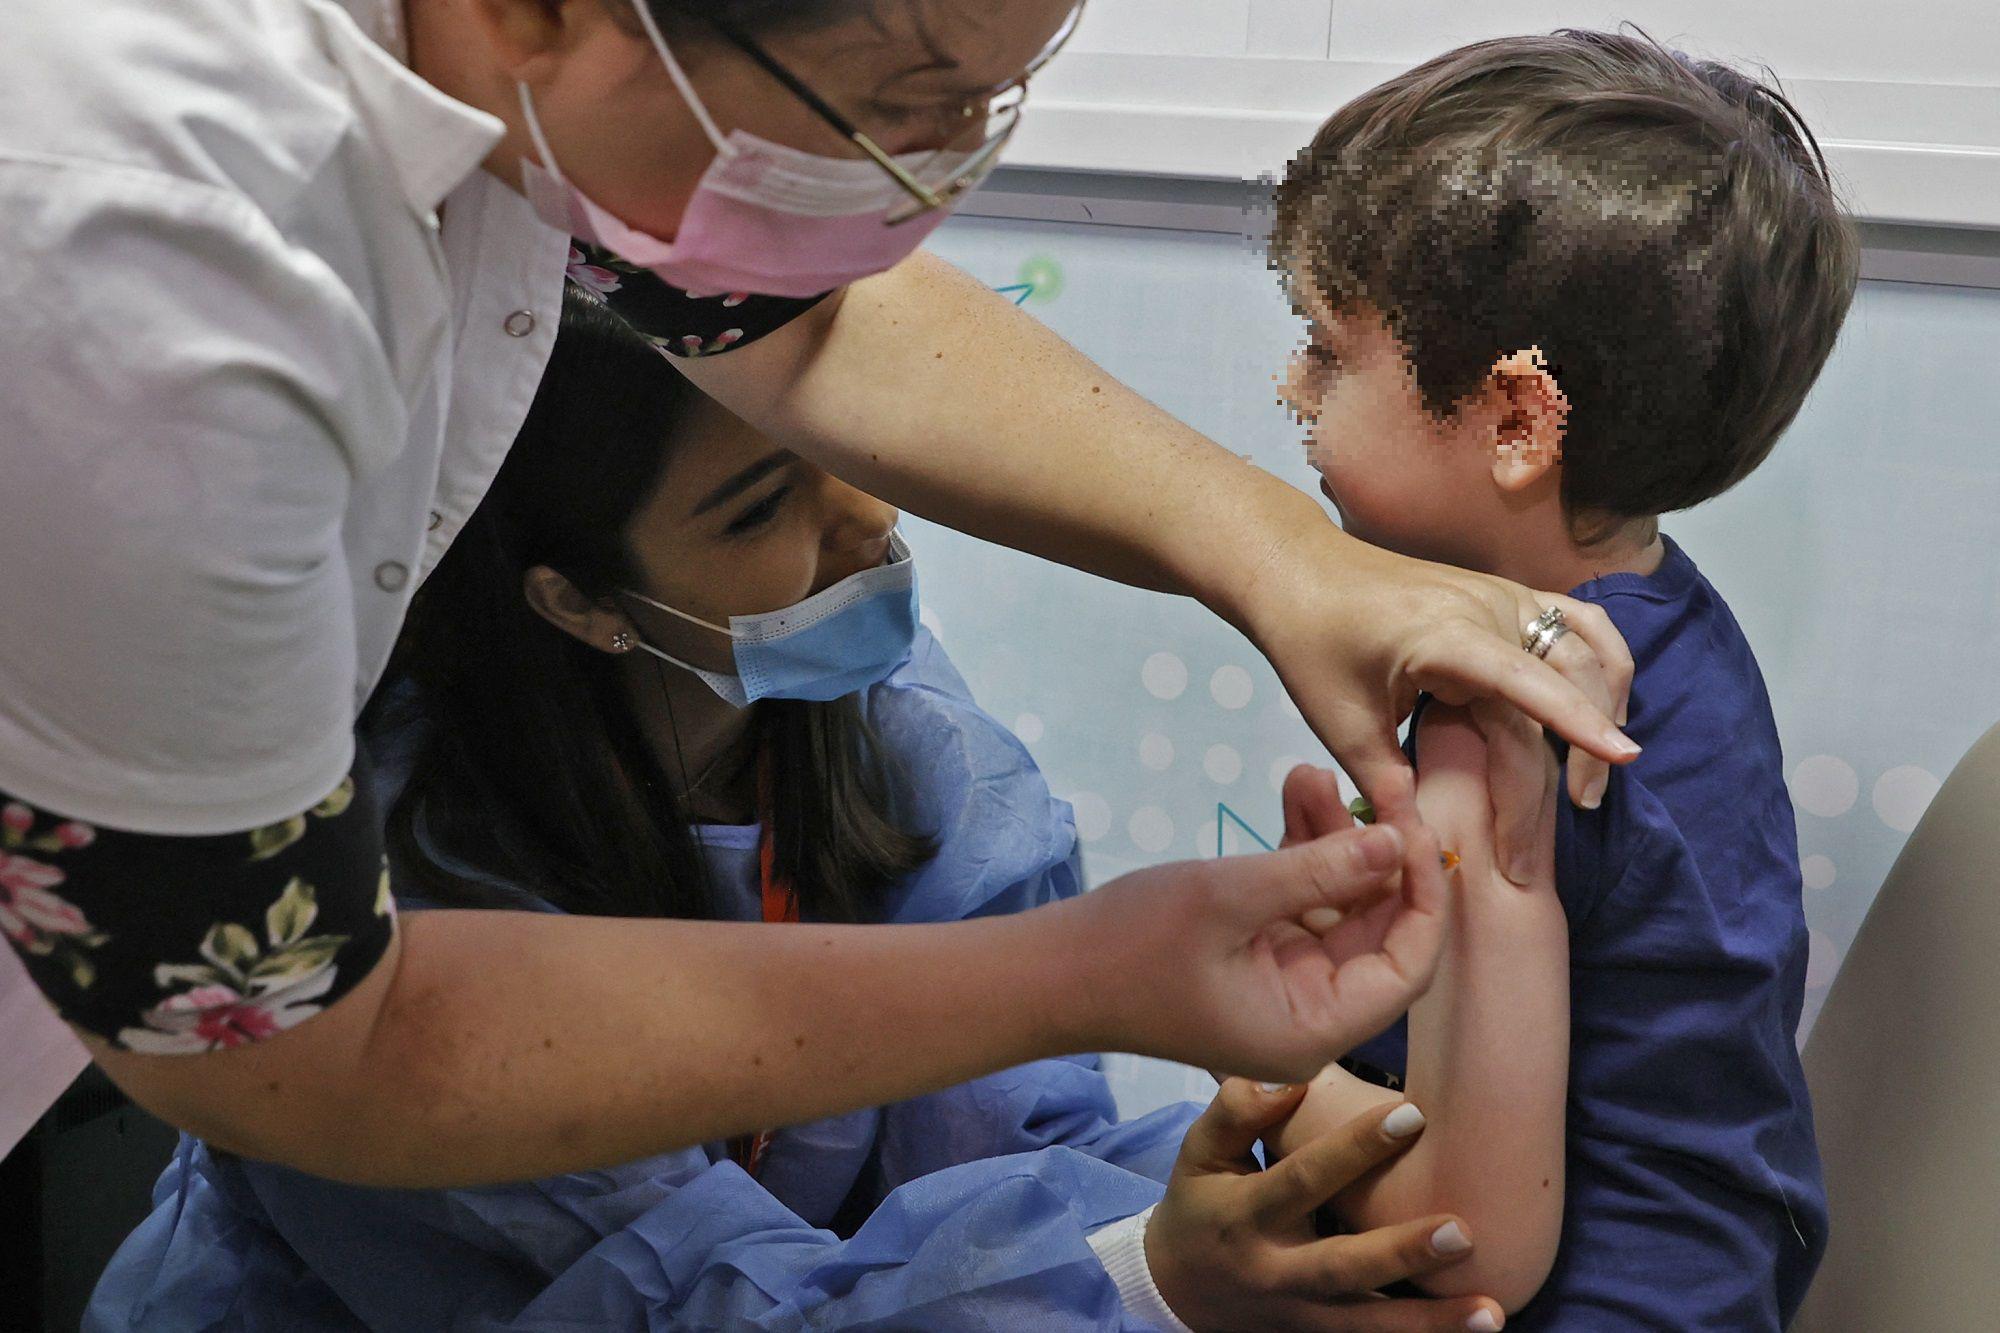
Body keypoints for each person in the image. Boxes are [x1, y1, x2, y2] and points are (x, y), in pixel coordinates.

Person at [0, 0, 1637, 1203]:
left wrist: (1291, 560)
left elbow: (795, 315)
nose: (927, 183)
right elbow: (305, 1044)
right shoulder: (155, 255)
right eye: (892, 107)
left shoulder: (513, 80)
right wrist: (1093, 974)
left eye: (989, 100)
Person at [87, 288, 1516, 1331]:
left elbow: (1014, 1148)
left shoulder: (881, 721)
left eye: (855, 456)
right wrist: (1150, 1277)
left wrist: (1274, 1163)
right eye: (762, 501)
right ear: (575, 598)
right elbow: (694, 1304)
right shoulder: (406, 891)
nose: (869, 523)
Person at [1261, 30, 1858, 1328]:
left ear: (1519, 422)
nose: (1289, 388)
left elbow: (1461, 1238)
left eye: (1326, 348)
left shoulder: (1503, 718)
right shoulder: (1673, 622)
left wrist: (1253, 1044)